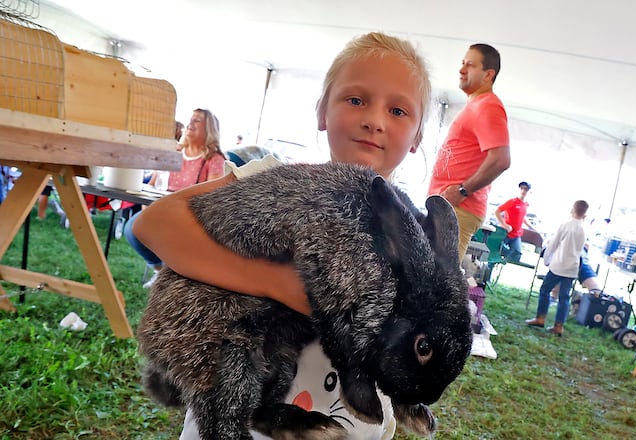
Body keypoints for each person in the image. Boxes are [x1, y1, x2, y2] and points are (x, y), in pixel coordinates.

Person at [132, 32, 431, 438]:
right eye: (356, 100)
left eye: (398, 111)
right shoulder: (273, 184)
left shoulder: (411, 235)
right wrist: (279, 283)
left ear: (417, 138)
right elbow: (153, 225)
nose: (374, 120)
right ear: (322, 112)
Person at [125, 108, 226, 288]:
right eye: (190, 119)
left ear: (209, 128)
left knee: (140, 229)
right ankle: (160, 270)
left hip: (189, 216)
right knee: (132, 229)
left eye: (197, 121)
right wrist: (147, 207)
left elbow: (214, 196)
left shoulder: (214, 159)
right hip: (161, 209)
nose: (190, 124)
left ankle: (170, 272)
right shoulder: (176, 152)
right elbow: (154, 183)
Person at [428, 43, 511, 260]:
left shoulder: (488, 106)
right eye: (462, 63)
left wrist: (462, 191)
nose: (462, 69)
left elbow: (501, 159)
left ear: (488, 75)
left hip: (458, 208)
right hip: (448, 206)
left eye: (470, 65)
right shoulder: (476, 105)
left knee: (437, 282)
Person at [526, 200, 589, 336]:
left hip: (558, 265)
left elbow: (553, 244)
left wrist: (547, 258)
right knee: (564, 297)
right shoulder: (584, 230)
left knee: (545, 290)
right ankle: (559, 325)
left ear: (573, 209)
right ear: (585, 213)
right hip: (572, 267)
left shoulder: (565, 225)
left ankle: (540, 318)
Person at [494, 181, 535, 262]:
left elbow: (523, 217)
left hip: (516, 235)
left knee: (517, 254)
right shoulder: (512, 201)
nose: (523, 191)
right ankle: (492, 266)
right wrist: (504, 224)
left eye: (526, 189)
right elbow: (497, 211)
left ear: (529, 192)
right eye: (522, 188)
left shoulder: (526, 204)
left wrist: (532, 227)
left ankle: (503, 262)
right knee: (497, 251)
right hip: (506, 233)